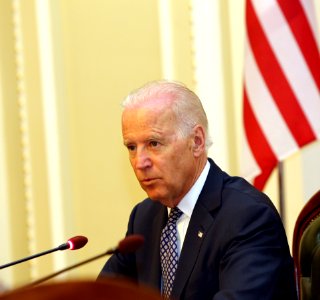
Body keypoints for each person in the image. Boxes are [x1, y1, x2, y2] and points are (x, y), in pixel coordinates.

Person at [98, 80, 297, 299]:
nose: (139, 162)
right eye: (132, 147)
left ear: (197, 141)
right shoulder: (144, 217)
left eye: (154, 143)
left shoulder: (246, 216)